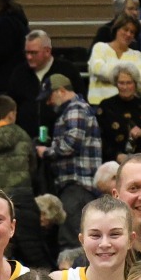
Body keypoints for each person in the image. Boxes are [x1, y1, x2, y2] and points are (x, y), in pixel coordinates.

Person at [37, 73, 100, 231]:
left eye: (49, 96)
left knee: (71, 238)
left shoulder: (75, 109)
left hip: (77, 184)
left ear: (61, 91)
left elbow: (70, 145)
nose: (48, 102)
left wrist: (45, 151)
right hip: (74, 185)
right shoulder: (72, 110)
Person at [88, 15, 141, 107]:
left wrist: (112, 74)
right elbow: (98, 70)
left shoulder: (137, 55)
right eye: (125, 29)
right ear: (117, 29)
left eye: (132, 32)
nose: (128, 34)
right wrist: (130, 77)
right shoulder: (99, 47)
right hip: (99, 105)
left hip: (129, 106)